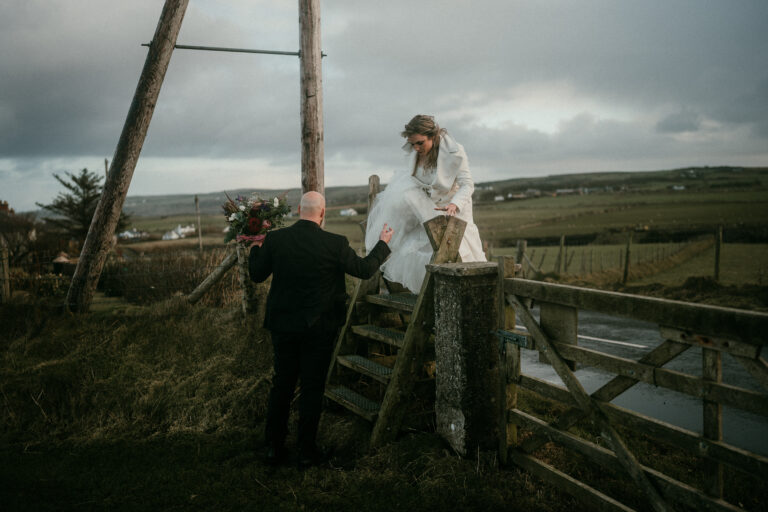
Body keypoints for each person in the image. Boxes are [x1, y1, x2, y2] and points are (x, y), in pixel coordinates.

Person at [249, 191, 393, 468]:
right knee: (312, 388)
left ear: (299, 211)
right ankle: (306, 451)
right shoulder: (335, 243)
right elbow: (363, 270)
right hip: (319, 328)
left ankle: (274, 449)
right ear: (323, 213)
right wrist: (383, 244)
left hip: (283, 326)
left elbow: (256, 275)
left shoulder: (276, 239)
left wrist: (255, 247)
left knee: (282, 385)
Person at [365, 114, 486, 293]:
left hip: (453, 208)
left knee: (458, 252)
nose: (416, 148)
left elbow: (468, 184)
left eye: (420, 143)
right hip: (428, 211)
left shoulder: (455, 152)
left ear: (433, 136)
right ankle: (434, 295)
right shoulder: (413, 154)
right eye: (412, 143)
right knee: (416, 249)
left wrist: (454, 204)